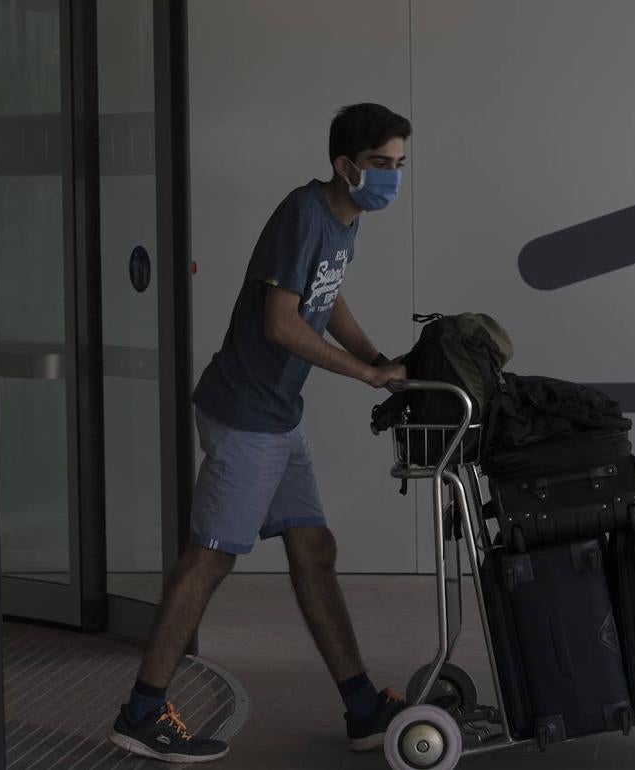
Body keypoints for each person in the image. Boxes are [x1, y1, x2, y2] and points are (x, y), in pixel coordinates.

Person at [108, 103, 412, 763]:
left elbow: (327, 300)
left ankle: (361, 705)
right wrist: (363, 373)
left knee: (314, 550)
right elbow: (282, 322)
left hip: (277, 415)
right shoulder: (304, 213)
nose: (392, 177)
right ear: (345, 166)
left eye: (399, 165)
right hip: (245, 415)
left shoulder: (345, 221)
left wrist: (381, 357)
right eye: (381, 165)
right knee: (210, 558)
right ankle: (141, 712)